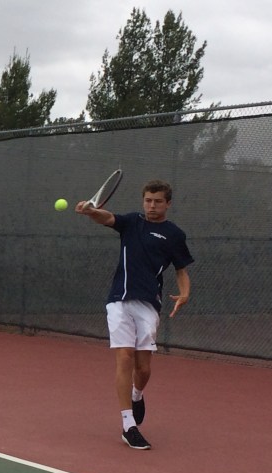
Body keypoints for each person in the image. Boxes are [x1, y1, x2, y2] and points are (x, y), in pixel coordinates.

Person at [76, 180, 193, 450]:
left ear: (168, 204)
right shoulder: (131, 223)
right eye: (148, 200)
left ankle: (137, 394)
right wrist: (90, 210)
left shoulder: (175, 235)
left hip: (149, 304)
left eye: (158, 201)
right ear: (143, 201)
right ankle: (129, 425)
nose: (152, 206)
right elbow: (106, 217)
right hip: (118, 301)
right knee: (124, 357)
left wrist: (184, 294)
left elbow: (181, 269)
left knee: (143, 369)